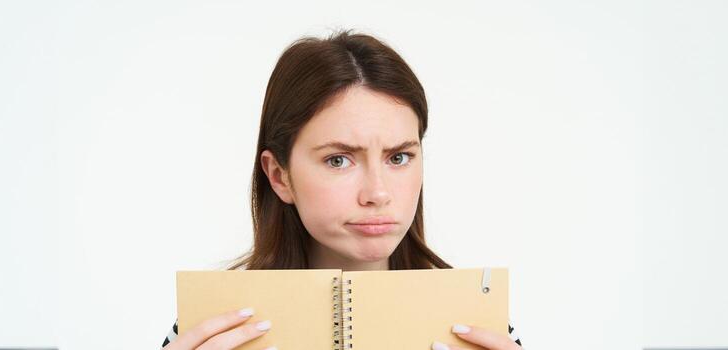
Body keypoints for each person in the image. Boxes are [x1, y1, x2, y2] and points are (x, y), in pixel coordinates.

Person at [160, 29, 523, 350]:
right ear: (279, 176)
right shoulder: (209, 329)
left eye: (399, 157)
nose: (377, 194)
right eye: (338, 160)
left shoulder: (479, 322)